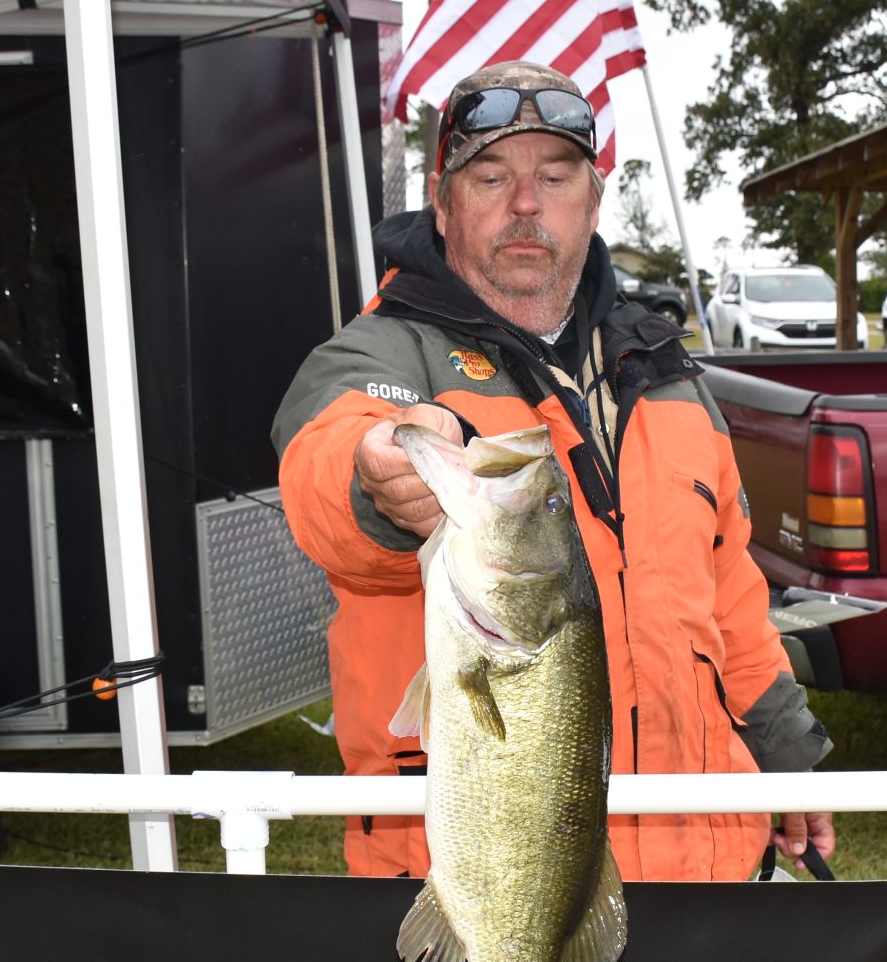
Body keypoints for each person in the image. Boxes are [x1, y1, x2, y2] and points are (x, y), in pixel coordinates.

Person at [270, 60, 834, 881]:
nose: (526, 204)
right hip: (473, 880)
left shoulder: (668, 372)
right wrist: (375, 477)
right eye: (491, 176)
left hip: (703, 872)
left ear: (594, 203)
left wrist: (787, 755)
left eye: (556, 176)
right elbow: (324, 471)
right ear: (443, 202)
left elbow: (730, 592)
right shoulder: (379, 352)